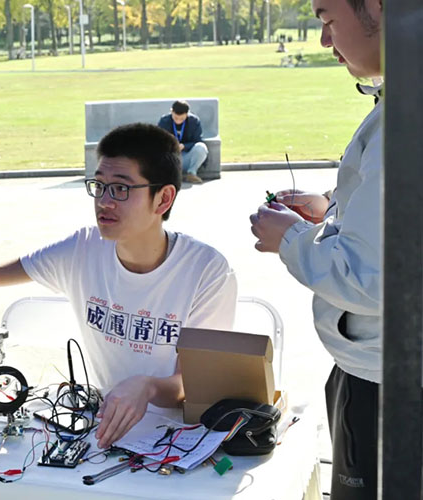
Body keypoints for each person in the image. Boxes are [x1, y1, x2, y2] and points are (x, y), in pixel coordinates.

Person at [0, 123, 237, 449]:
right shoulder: (83, 249)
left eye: (120, 189)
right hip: (104, 433)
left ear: (163, 198)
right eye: (99, 185)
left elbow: (193, 384)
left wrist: (147, 387)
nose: (104, 202)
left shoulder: (206, 270)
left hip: (178, 439)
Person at [249, 0, 383, 498]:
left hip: (387, 385)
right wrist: (331, 209)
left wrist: (289, 238)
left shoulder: (407, 120)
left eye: (328, 20)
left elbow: (369, 277)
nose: (325, 40)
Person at [157, 100, 209, 185]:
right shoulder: (164, 121)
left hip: (187, 156)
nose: (178, 121)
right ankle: (169, 176)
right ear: (171, 111)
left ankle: (191, 173)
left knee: (201, 147)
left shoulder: (194, 121)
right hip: (171, 157)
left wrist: (184, 146)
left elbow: (198, 140)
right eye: (176, 118)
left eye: (181, 118)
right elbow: (159, 141)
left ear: (187, 114)